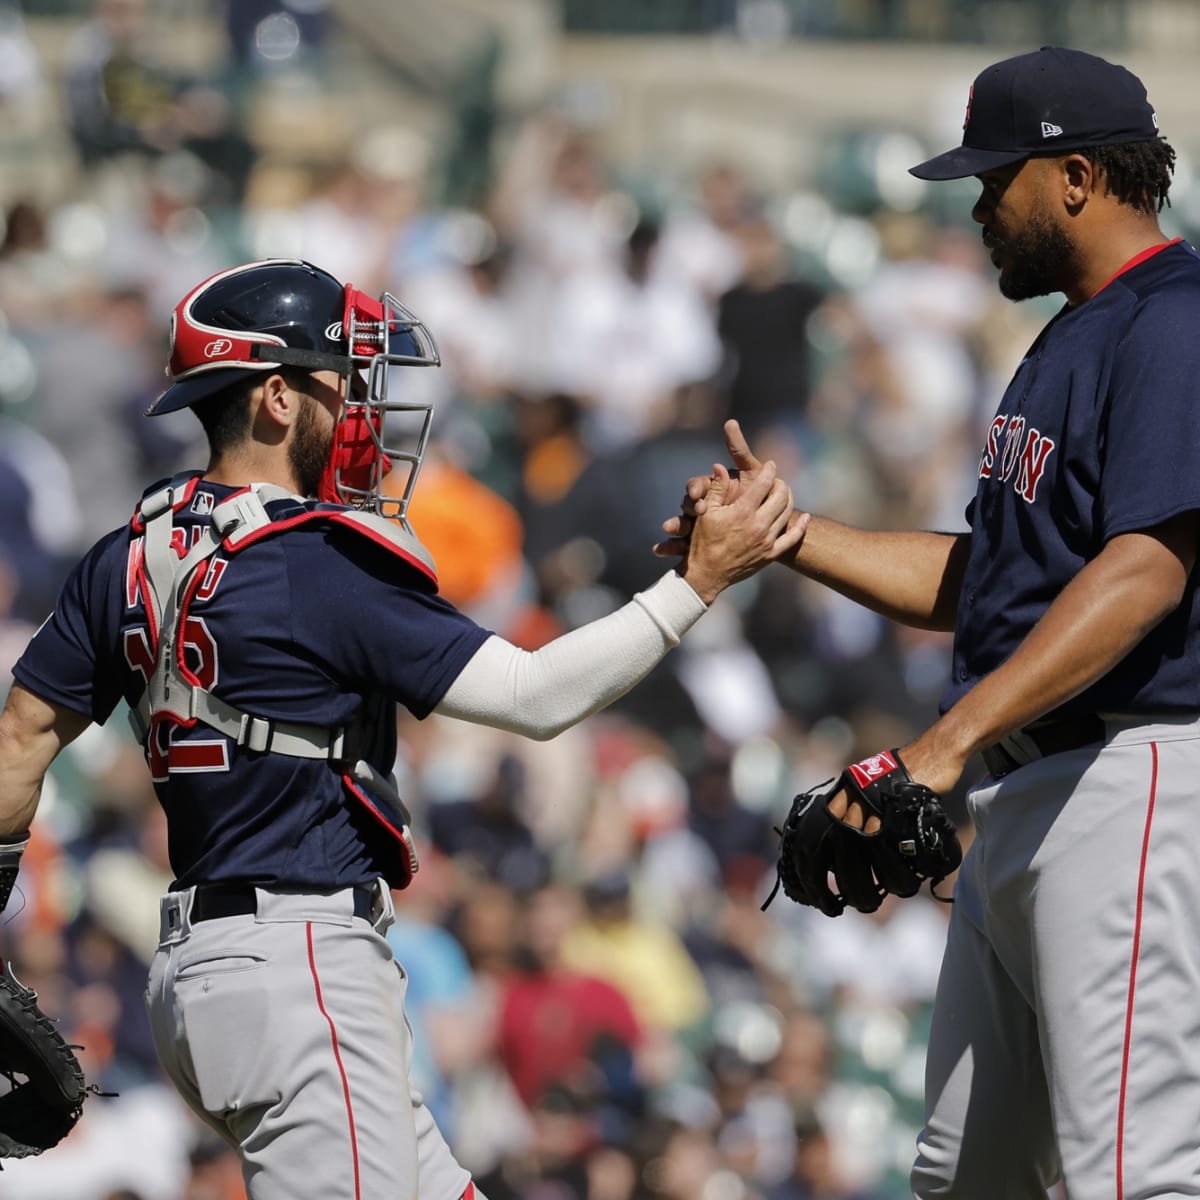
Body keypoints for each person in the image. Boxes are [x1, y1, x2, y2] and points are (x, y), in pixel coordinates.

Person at [0, 257, 803, 1199]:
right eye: (341, 382)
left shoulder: (130, 552)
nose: (361, 409)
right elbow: (536, 696)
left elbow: (20, 740)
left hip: (207, 972)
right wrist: (697, 583)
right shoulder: (318, 561)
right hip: (298, 968)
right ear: (275, 401)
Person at [659, 46, 1200, 1198]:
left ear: (1075, 176)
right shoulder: (1075, 332)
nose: (979, 205)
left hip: (1130, 769)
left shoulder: (1176, 322)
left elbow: (1148, 568)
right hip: (1025, 782)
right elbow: (992, 578)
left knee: (1135, 1171)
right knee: (964, 1174)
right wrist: (788, 537)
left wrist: (938, 748)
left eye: (997, 175)